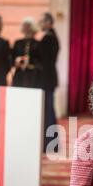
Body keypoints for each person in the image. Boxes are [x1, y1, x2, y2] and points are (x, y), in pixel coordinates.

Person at [37, 12, 59, 152]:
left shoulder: (49, 38)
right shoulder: (51, 37)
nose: (40, 23)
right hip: (48, 79)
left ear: (49, 23)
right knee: (48, 112)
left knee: (48, 113)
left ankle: (50, 145)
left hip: (46, 79)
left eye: (42, 21)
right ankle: (50, 144)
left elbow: (41, 58)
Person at [12, 18, 41, 88]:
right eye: (25, 26)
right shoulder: (18, 43)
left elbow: (40, 60)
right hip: (19, 75)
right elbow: (12, 57)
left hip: (33, 75)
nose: (26, 28)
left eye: (28, 26)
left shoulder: (38, 44)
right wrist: (16, 61)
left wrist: (30, 63)